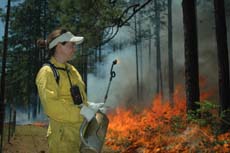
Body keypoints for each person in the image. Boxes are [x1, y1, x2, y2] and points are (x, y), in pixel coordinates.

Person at [36, 28, 94, 153]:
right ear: (58, 46)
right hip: (62, 139)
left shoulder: (71, 70)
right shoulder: (47, 73)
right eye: (71, 45)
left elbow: (79, 98)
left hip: (79, 134)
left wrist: (90, 106)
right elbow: (52, 107)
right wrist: (82, 113)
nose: (75, 48)